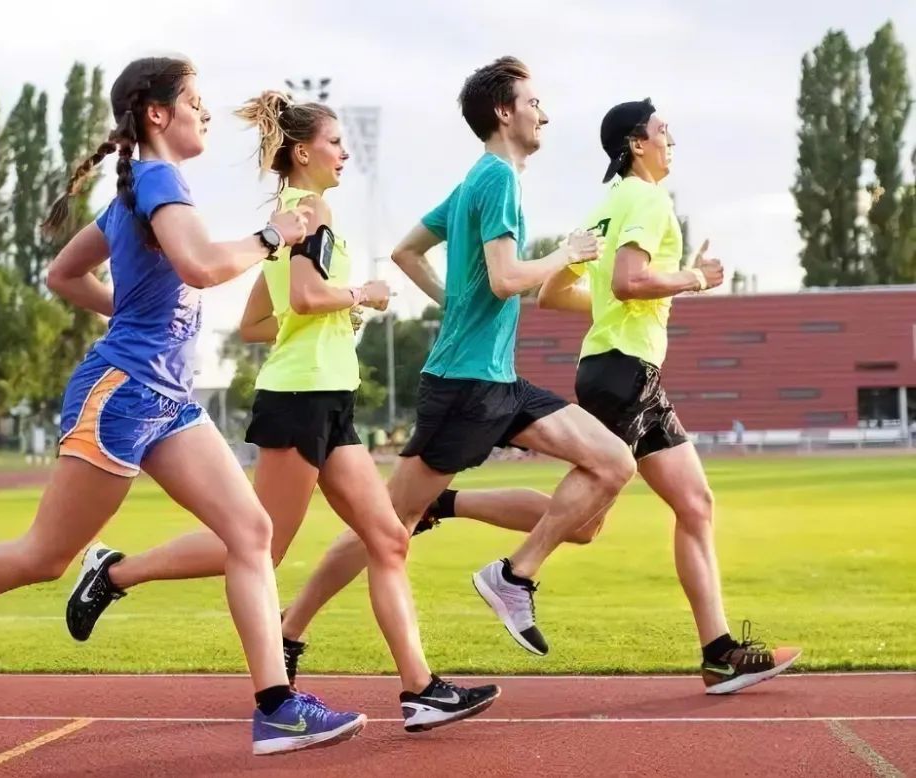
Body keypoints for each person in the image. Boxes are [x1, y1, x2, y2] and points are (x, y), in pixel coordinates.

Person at [0, 56, 365, 756]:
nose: (205, 113)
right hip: (121, 396)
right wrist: (278, 233)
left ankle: (276, 707)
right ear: (157, 113)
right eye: (196, 101)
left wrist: (142, 315)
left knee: (251, 533)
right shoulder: (155, 181)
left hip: (168, 398)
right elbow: (204, 268)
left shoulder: (139, 188)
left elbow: (66, 273)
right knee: (44, 556)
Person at [65, 91, 500, 733]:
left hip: (330, 395)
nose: (344, 152)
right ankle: (116, 571)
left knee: (387, 538)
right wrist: (362, 295)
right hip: (298, 402)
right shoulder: (307, 211)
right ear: (303, 152)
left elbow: (258, 322)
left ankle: (422, 690)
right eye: (334, 142)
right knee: (259, 548)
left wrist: (328, 315)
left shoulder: (297, 214)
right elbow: (303, 292)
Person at [413, 98, 802, 695]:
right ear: (636, 144)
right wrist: (693, 279)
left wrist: (647, 296)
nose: (670, 138)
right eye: (661, 130)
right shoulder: (647, 200)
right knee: (591, 512)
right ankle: (511, 571)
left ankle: (719, 652)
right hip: (624, 373)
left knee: (688, 505)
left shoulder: (607, 203)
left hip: (621, 368)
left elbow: (560, 295)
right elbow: (627, 280)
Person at [272, 56, 637, 671]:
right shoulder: (494, 180)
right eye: (533, 102)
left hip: (498, 379)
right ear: (503, 112)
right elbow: (503, 280)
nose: (543, 112)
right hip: (465, 384)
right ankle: (290, 629)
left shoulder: (478, 181)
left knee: (610, 467)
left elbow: (405, 251)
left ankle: (513, 575)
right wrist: (563, 255)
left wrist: (452, 303)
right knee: (389, 522)